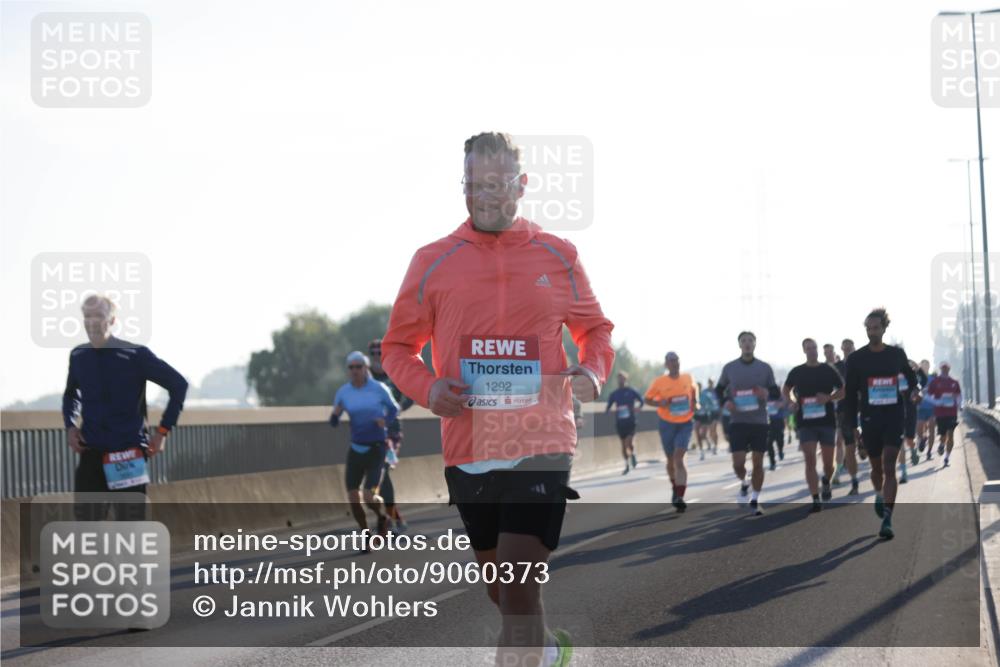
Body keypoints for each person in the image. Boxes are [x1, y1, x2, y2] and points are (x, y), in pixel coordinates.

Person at [382, 132, 614, 667]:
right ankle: (550, 649)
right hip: (468, 446)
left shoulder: (558, 254)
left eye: (497, 183)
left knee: (514, 590)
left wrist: (592, 370)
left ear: (523, 185)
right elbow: (397, 348)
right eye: (473, 184)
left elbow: (595, 330)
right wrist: (429, 387)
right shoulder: (432, 261)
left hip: (543, 440)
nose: (484, 195)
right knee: (501, 589)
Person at [63, 295, 187, 515]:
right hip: (91, 452)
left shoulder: (135, 355)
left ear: (112, 320)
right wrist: (71, 426)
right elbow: (72, 395)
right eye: (87, 316)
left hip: (127, 454)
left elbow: (178, 385)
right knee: (84, 528)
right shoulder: (79, 355)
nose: (93, 321)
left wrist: (162, 432)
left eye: (99, 316)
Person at [844, 308, 920, 540]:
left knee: (889, 466)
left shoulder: (896, 354)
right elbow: (850, 395)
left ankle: (887, 517)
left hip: (893, 415)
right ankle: (878, 493)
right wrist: (852, 426)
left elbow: (912, 379)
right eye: (868, 328)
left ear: (884, 328)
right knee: (876, 469)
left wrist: (915, 392)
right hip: (869, 418)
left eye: (875, 328)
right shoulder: (856, 359)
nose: (871, 332)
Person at [330, 351, 400, 540]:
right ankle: (365, 533)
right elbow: (333, 422)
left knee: (369, 497)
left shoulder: (379, 388)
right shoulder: (343, 392)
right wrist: (335, 415)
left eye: (358, 366)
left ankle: (382, 516)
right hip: (356, 449)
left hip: (377, 449)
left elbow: (394, 409)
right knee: (353, 497)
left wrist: (384, 420)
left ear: (365, 368)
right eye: (351, 367)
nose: (354, 370)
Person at [716, 331, 778, 516]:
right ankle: (744, 483)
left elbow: (774, 392)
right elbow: (719, 390)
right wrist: (725, 402)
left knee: (758, 463)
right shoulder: (730, 368)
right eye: (744, 341)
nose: (747, 344)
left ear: (755, 344)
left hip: (759, 421)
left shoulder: (765, 368)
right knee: (738, 463)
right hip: (738, 421)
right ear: (739, 345)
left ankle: (755, 499)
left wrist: (766, 394)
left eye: (750, 340)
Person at [784, 339, 845, 513]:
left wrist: (829, 398)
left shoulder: (828, 370)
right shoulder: (797, 371)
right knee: (810, 459)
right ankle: (815, 498)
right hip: (806, 422)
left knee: (828, 464)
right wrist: (791, 402)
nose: (812, 351)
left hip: (826, 422)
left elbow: (842, 390)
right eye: (808, 348)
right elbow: (785, 389)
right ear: (804, 351)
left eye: (814, 348)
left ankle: (826, 480)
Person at [368, 338, 414, 532]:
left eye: (381, 352)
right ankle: (395, 518)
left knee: (383, 470)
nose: (378, 356)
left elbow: (411, 397)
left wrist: (398, 409)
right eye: (374, 353)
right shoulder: (365, 377)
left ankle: (390, 519)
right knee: (376, 475)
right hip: (370, 432)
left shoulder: (394, 372)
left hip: (392, 432)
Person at [645, 352, 697, 512]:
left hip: (685, 422)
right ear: (666, 364)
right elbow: (647, 399)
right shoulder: (659, 382)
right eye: (671, 361)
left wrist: (696, 402)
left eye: (677, 360)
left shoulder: (688, 378)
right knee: (670, 460)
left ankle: (680, 495)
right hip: (667, 423)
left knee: (679, 457)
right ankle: (675, 487)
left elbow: (694, 391)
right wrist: (661, 403)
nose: (675, 363)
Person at [834, 338, 861, 494]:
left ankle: (863, 447)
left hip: (864, 409)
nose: (847, 350)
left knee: (865, 448)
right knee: (847, 446)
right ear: (841, 349)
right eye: (845, 348)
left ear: (854, 348)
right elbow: (830, 387)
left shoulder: (862, 364)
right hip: (844, 410)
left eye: (850, 348)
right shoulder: (837, 368)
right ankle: (854, 482)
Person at [605, 371, 643, 474]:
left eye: (622, 378)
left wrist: (638, 408)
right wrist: (610, 410)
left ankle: (633, 454)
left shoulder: (631, 391)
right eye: (618, 378)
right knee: (623, 445)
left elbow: (641, 401)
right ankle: (627, 464)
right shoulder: (614, 394)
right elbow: (607, 408)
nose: (620, 380)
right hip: (620, 423)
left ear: (626, 379)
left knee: (629, 442)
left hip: (631, 421)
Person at [927, 362, 962, 467]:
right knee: (943, 435)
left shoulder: (954, 382)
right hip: (940, 413)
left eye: (946, 368)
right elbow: (928, 396)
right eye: (943, 368)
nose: (944, 370)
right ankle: (942, 444)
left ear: (949, 369)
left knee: (950, 434)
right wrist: (937, 402)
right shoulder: (935, 382)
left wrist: (960, 405)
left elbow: (959, 395)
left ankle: (947, 458)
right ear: (940, 369)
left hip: (952, 412)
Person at [765, 385, 786, 471]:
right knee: (769, 443)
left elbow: (785, 402)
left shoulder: (780, 397)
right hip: (768, 422)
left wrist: (781, 404)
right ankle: (772, 462)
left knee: (779, 439)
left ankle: (780, 450)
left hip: (779, 421)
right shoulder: (765, 397)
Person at [702, 378, 722, 454]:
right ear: (708, 382)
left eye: (712, 382)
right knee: (711, 431)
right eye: (709, 382)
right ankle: (714, 445)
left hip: (716, 412)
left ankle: (716, 447)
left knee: (714, 428)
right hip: (708, 413)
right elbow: (702, 402)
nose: (711, 383)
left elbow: (721, 400)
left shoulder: (717, 391)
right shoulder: (705, 391)